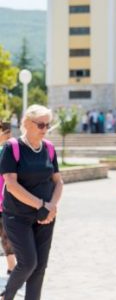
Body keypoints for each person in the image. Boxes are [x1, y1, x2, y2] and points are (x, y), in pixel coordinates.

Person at [0, 105, 64, 300]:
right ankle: (7, 296)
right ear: (26, 123)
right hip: (17, 216)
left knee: (40, 268)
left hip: (45, 217)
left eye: (48, 125)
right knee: (28, 263)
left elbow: (58, 181)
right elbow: (11, 184)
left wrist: (51, 206)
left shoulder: (49, 149)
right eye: (40, 124)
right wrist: (41, 205)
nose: (45, 129)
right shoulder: (12, 148)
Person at [0, 123, 16, 279]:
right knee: (6, 235)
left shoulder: (7, 151)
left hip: (5, 203)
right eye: (7, 134)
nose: (9, 137)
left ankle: (12, 266)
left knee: (6, 235)